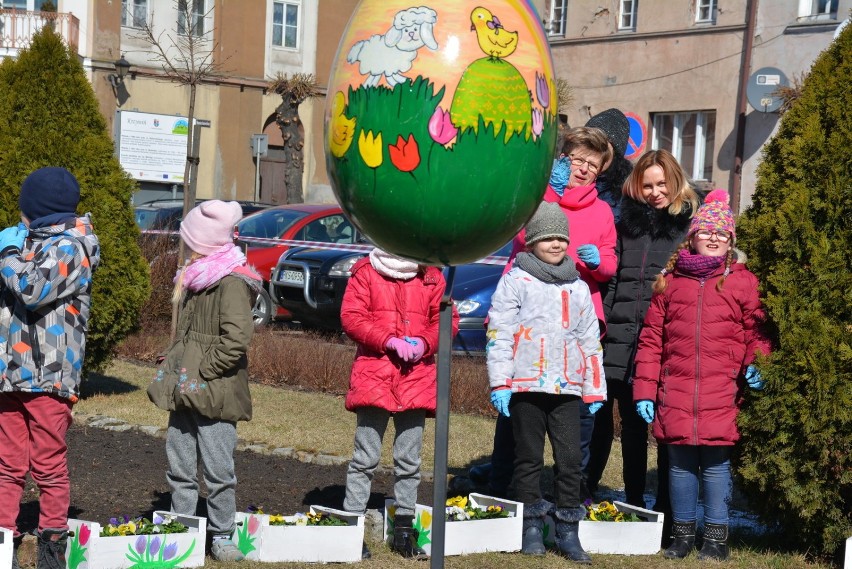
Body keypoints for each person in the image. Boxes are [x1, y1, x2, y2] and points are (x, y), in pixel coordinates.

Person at [471, 126, 617, 500]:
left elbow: (610, 264)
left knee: (575, 419)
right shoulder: (537, 193)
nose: (582, 169)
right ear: (563, 158)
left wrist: (599, 264)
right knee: (517, 415)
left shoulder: (602, 211)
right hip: (527, 321)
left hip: (573, 321)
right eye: (577, 159)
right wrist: (549, 192)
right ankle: (505, 491)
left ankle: (573, 493)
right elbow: (520, 238)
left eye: (592, 164)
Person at [632, 189, 771, 561]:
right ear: (692, 236)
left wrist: (758, 363)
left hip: (722, 391)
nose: (713, 237)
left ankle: (716, 538)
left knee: (715, 467)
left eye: (721, 234)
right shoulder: (669, 283)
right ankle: (681, 536)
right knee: (678, 466)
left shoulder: (742, 282)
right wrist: (644, 390)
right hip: (674, 389)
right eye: (706, 231)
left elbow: (757, 332)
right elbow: (650, 341)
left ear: (730, 242)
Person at [486, 202, 606, 563]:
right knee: (528, 458)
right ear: (532, 241)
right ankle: (532, 526)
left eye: (560, 238)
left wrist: (594, 386)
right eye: (547, 238)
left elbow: (589, 339)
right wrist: (500, 383)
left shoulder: (578, 286)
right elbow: (499, 332)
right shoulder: (516, 280)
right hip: (526, 386)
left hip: (567, 388)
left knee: (570, 459)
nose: (555, 244)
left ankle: (568, 529)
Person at [586, 150, 701, 518]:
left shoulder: (688, 229)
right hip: (619, 342)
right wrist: (599, 331)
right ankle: (633, 500)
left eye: (661, 183)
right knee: (630, 430)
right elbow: (614, 281)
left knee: (665, 433)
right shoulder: (626, 227)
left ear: (675, 181)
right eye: (647, 185)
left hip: (663, 347)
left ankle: (667, 510)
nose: (654, 192)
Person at [147, 200, 262, 562]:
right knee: (179, 461)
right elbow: (191, 334)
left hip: (214, 390)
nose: (185, 246)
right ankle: (183, 528)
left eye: (190, 239)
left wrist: (203, 370)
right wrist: (176, 357)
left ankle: (223, 535)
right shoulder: (199, 276)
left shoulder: (228, 282)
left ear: (206, 241)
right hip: (186, 387)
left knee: (218, 468)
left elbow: (237, 339)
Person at [0, 167, 100, 569]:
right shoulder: (28, 243)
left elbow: (30, 288)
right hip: (11, 372)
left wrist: (6, 253)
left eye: (25, 207)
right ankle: (3, 535)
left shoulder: (72, 247)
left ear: (39, 208)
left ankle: (52, 541)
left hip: (49, 377)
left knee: (47, 462)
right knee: (6, 462)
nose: (20, 215)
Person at [340, 248, 458, 560]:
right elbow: (351, 316)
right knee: (364, 457)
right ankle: (351, 528)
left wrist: (425, 343)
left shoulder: (431, 275)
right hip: (374, 375)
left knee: (410, 459)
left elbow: (447, 320)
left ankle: (404, 531)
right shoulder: (366, 271)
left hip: (416, 378)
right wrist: (387, 340)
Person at [585, 108, 634, 223]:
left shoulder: (628, 190)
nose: (594, 153)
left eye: (602, 147)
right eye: (589, 145)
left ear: (616, 153)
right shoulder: (565, 178)